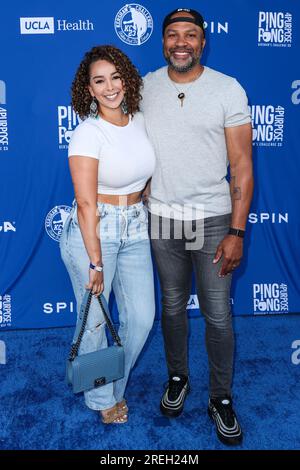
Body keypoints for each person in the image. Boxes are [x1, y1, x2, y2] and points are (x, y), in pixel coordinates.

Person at [140, 8, 253, 445]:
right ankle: (178, 377)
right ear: (163, 41)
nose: (181, 42)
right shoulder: (145, 87)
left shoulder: (227, 89)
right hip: (163, 220)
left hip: (212, 221)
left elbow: (242, 165)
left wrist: (237, 231)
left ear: (203, 42)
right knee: (171, 305)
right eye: (173, 34)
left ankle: (221, 398)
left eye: (190, 35)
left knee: (218, 316)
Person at [60, 45, 156, 424]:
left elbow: (142, 174)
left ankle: (114, 386)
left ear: (127, 79)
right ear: (90, 89)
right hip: (95, 229)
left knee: (143, 316)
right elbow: (85, 204)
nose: (110, 86)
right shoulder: (87, 133)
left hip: (136, 223)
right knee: (95, 324)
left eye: (116, 77)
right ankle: (102, 400)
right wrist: (95, 262)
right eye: (100, 80)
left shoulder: (140, 121)